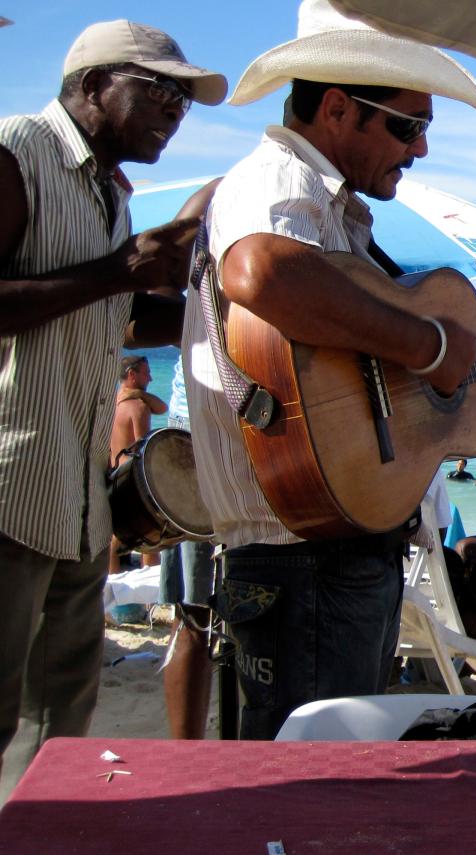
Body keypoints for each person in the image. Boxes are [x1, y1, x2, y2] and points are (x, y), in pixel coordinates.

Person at [181, 1, 476, 739]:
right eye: (409, 127)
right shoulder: (278, 183)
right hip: (301, 558)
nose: (420, 151)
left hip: (340, 545)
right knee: (312, 797)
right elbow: (257, 272)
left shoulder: (338, 217)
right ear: (340, 109)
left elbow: (387, 388)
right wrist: (430, 346)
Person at [0, 20, 224, 797]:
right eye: (160, 89)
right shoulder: (16, 153)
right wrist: (115, 270)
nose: (175, 110)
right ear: (94, 84)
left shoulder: (111, 192)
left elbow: (118, 319)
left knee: (60, 719)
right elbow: (97, 286)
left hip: (75, 501)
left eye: (184, 101)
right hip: (9, 487)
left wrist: (219, 307)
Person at [157, 355, 217, 740]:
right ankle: (185, 752)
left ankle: (186, 751)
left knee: (194, 614)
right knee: (194, 615)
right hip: (198, 435)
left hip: (200, 428)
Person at [107, 354, 168, 574]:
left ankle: (110, 586)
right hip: (133, 479)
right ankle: (153, 598)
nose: (151, 378)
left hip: (114, 474)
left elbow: (161, 408)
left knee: (116, 535)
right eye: (146, 373)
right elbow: (144, 449)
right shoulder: (138, 408)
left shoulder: (111, 403)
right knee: (151, 533)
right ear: (132, 375)